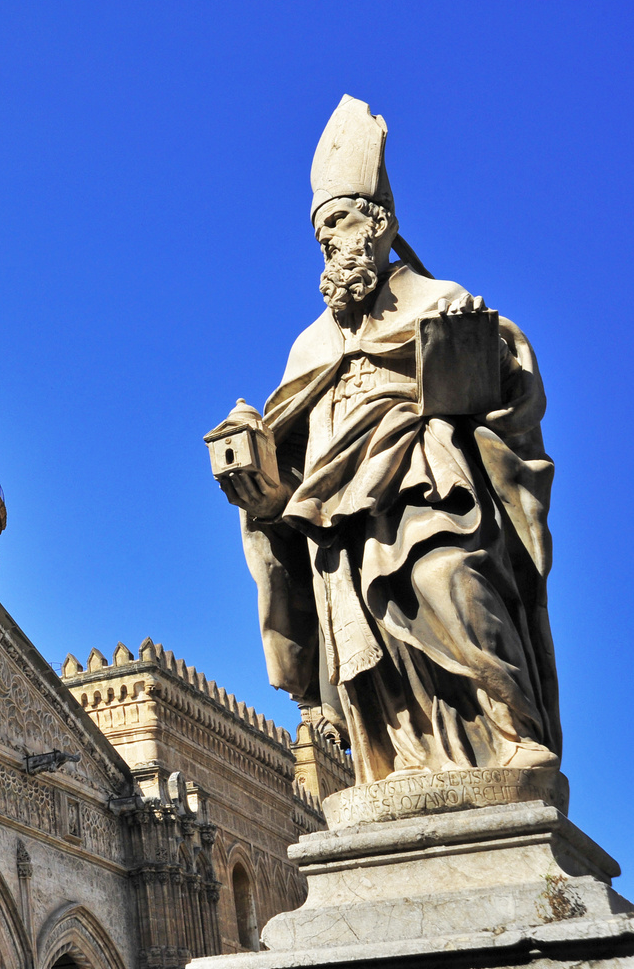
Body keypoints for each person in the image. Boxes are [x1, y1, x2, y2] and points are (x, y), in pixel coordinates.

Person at [217, 96, 559, 784]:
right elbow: (291, 472)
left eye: (339, 220)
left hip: (429, 487)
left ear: (378, 225)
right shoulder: (309, 345)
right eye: (320, 231)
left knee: (451, 583)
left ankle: (512, 737)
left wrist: (481, 346)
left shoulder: (440, 300)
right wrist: (258, 489)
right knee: (366, 639)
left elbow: (511, 397)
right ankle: (401, 762)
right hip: (339, 520)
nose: (329, 241)